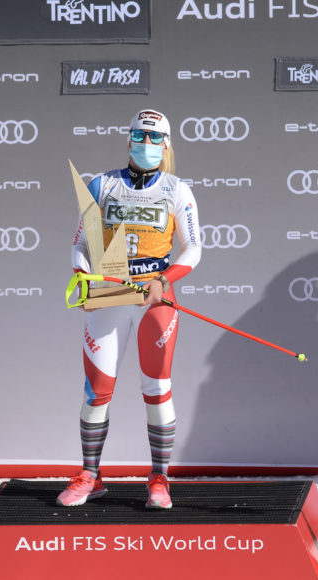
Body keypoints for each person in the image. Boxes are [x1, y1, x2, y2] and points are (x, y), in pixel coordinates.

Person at [58, 109, 202, 509]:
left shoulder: (177, 189)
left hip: (154, 295)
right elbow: (80, 244)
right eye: (140, 135)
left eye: (156, 138)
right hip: (109, 294)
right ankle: (91, 475)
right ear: (128, 139)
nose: (147, 144)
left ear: (167, 145)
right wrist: (84, 275)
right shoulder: (101, 184)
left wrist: (164, 280)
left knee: (157, 389)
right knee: (97, 390)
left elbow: (194, 248)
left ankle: (159, 479)